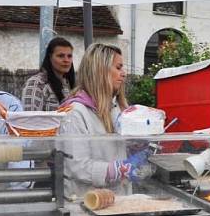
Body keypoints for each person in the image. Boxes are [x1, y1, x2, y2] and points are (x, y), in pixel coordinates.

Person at [59, 43, 149, 200]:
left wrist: (135, 147)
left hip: (118, 199)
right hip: (86, 203)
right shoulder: (75, 113)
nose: (124, 74)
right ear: (100, 71)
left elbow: (116, 151)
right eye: (118, 67)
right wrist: (117, 169)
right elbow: (78, 167)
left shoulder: (115, 108)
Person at [21, 36, 75, 111]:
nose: (66, 60)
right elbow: (30, 118)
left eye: (69, 56)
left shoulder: (69, 84)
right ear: (50, 57)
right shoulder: (37, 83)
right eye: (61, 56)